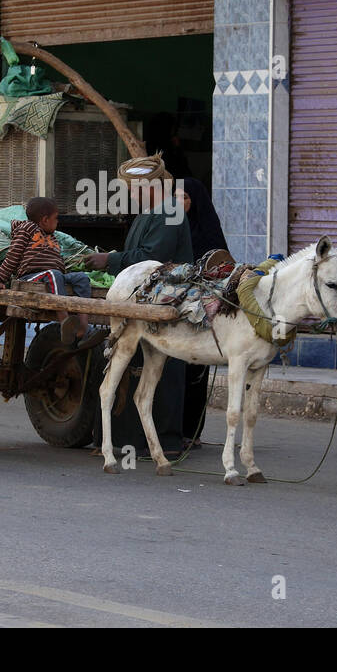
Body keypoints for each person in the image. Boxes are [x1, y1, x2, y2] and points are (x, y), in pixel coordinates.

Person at [85, 155, 192, 455]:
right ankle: (124, 440)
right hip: (144, 298)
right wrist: (114, 259)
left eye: (133, 188)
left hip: (166, 301)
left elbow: (151, 259)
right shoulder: (149, 212)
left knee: (160, 371)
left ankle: (160, 443)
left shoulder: (170, 213)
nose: (130, 194)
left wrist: (111, 260)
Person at [0, 196, 91, 345]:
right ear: (44, 220)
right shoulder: (27, 229)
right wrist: (0, 280)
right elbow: (13, 255)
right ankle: (64, 320)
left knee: (82, 277)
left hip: (54, 276)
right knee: (53, 274)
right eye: (55, 218)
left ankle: (83, 326)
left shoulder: (52, 236)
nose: (58, 222)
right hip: (30, 277)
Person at [177, 177, 230, 444]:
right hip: (173, 308)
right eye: (175, 197)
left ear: (195, 201)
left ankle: (191, 433)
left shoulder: (208, 232)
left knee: (195, 370)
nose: (179, 203)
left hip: (200, 311)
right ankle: (171, 429)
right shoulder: (170, 226)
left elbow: (221, 269)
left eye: (184, 198)